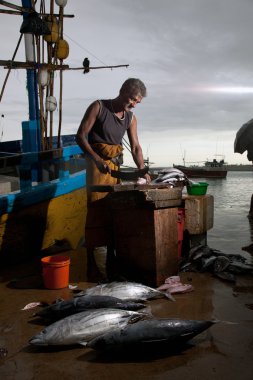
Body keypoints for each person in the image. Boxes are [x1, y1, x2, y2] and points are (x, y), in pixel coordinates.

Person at [76, 78, 151, 281]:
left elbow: (136, 147)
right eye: (133, 99)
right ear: (122, 91)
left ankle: (111, 262)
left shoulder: (131, 118)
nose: (134, 104)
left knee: (114, 213)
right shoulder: (98, 107)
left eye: (137, 102)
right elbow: (81, 136)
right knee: (95, 212)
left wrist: (142, 170)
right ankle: (91, 265)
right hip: (96, 166)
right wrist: (98, 159)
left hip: (114, 169)